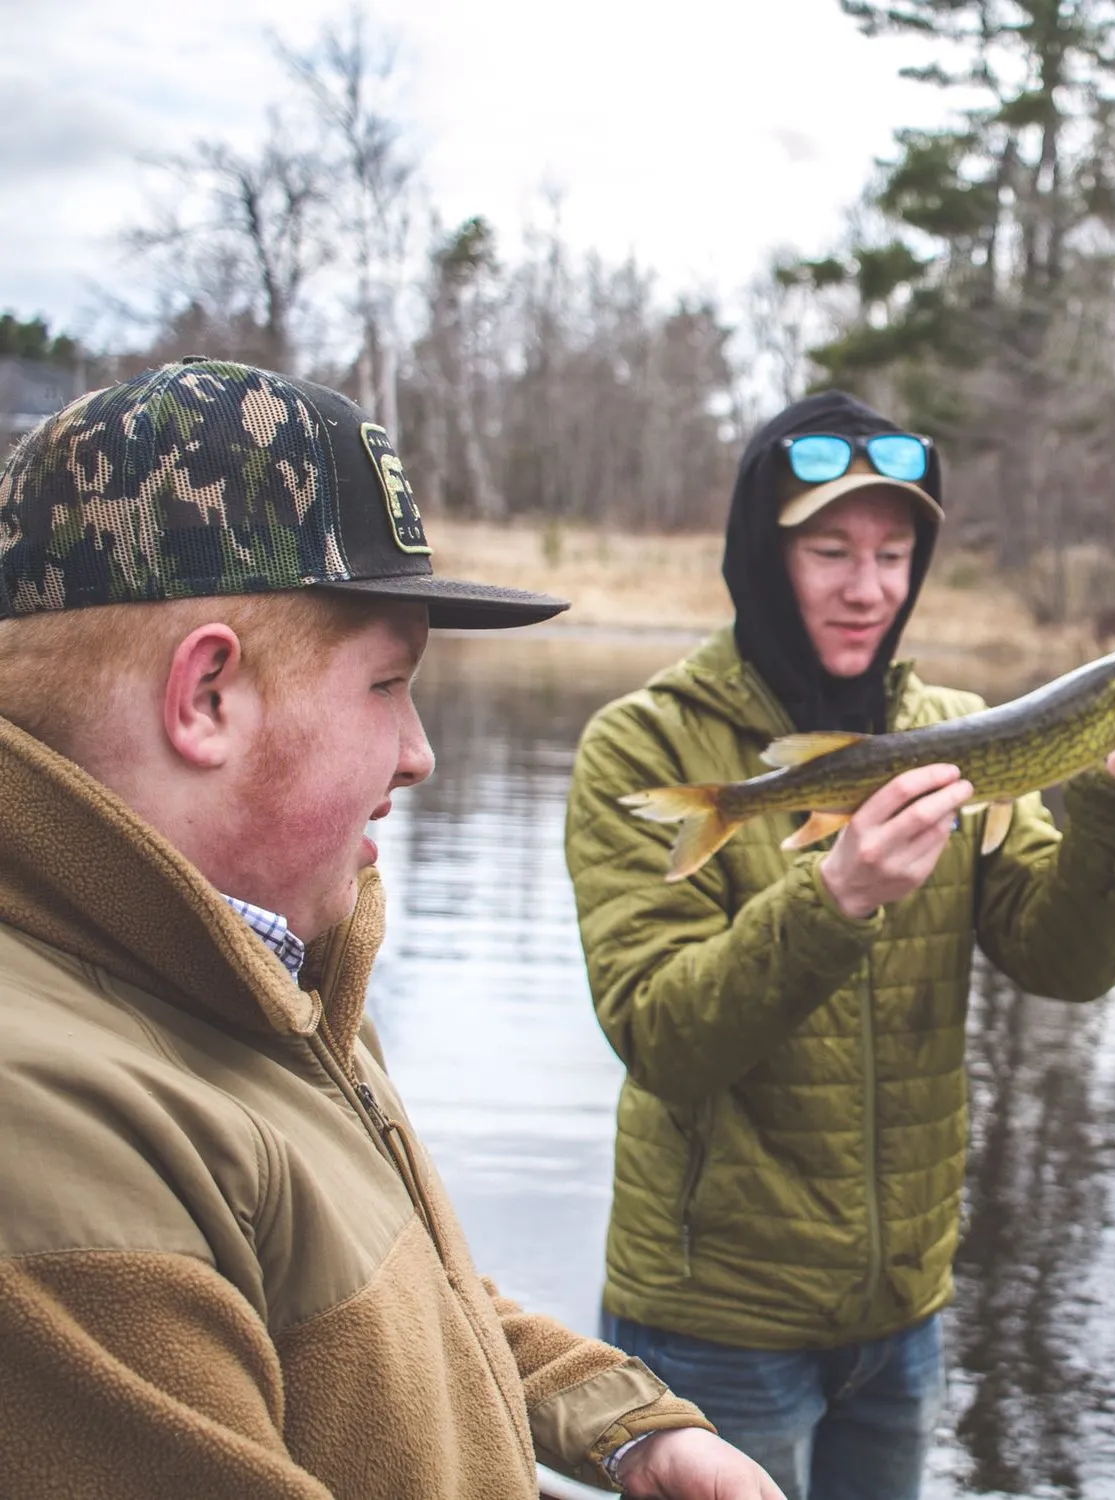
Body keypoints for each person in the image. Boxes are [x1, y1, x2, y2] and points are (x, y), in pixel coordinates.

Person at [0, 359, 785, 1500]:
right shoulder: (50, 1133)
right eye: (388, 685)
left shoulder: (249, 965)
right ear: (207, 697)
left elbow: (381, 1295)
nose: (419, 754)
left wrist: (628, 1427)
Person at [563, 390, 1115, 1500]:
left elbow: (1064, 965)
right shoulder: (640, 745)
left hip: (904, 1318)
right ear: (760, 554)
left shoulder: (961, 727)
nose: (867, 586)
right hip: (714, 1327)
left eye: (893, 552)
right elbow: (661, 1039)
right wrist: (830, 899)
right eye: (830, 548)